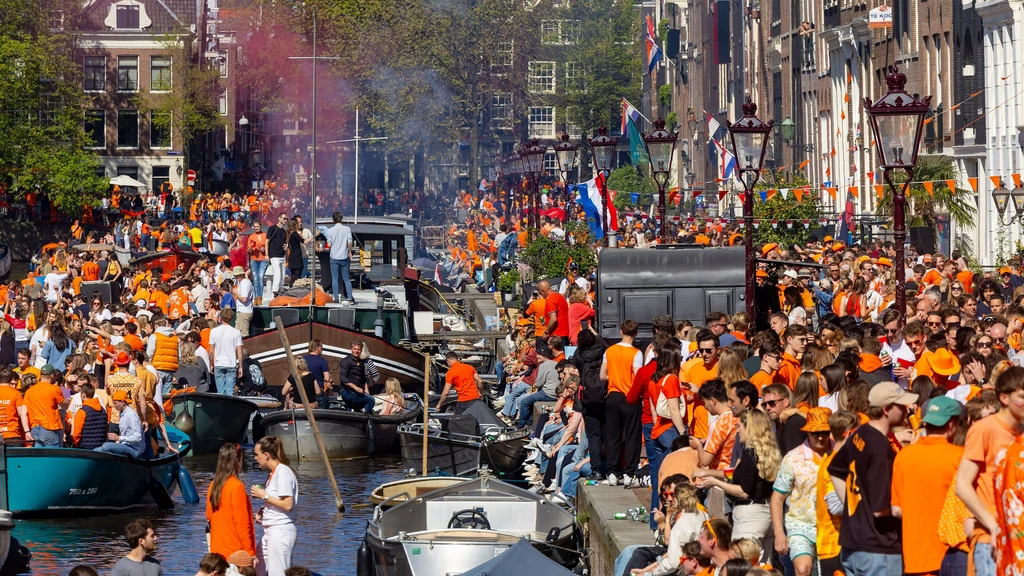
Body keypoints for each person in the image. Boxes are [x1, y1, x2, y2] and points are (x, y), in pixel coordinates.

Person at [828, 382, 917, 576]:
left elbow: (834, 469)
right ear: (886, 409)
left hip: (853, 544)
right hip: (878, 550)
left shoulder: (861, 432)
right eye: (901, 406)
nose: (906, 410)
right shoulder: (880, 449)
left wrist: (854, 507)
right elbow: (881, 509)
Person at [957, 366, 1024, 576]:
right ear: (1004, 398)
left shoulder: (1020, 433)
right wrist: (992, 525)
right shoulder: (984, 429)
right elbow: (962, 484)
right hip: (991, 541)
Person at [892, 396, 963, 576]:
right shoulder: (960, 457)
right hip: (952, 554)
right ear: (952, 424)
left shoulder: (903, 456)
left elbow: (896, 510)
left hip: (915, 557)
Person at [695, 409, 781, 544]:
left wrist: (715, 482)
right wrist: (709, 475)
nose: (737, 431)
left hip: (750, 516)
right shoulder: (769, 452)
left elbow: (744, 491)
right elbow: (742, 476)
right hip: (765, 513)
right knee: (763, 563)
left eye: (739, 426)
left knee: (743, 561)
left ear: (749, 428)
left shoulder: (750, 453)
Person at [770, 407, 833, 576]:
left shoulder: (840, 454)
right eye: (815, 433)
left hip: (833, 526)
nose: (820, 437)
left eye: (825, 432)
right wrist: (779, 533)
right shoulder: (793, 458)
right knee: (803, 569)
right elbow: (777, 498)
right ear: (807, 433)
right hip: (800, 525)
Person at [600, 320, 643, 487]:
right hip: (630, 397)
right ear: (636, 334)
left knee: (612, 436)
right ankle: (629, 473)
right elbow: (638, 378)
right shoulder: (636, 353)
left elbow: (602, 375)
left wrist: (616, 377)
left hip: (612, 396)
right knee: (632, 436)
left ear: (620, 332)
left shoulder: (610, 351)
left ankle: (612, 472)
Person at [252, 437, 298, 576]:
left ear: (266, 455)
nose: (255, 458)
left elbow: (288, 504)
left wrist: (264, 496)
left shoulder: (283, 472)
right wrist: (264, 509)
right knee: (257, 570)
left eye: (256, 454)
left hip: (280, 531)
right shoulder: (273, 474)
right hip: (270, 532)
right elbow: (277, 500)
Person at [206, 443, 256, 565]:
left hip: (217, 550)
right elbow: (242, 524)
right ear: (237, 461)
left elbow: (209, 517)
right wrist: (250, 553)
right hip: (236, 553)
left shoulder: (213, 485)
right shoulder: (236, 486)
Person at [24, 364, 66, 447]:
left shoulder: (30, 391)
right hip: (50, 429)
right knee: (52, 458)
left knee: (38, 458)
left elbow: (23, 413)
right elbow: (64, 405)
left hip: (35, 429)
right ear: (52, 375)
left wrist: (27, 431)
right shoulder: (54, 389)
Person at [96, 389, 145, 458]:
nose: (114, 405)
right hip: (126, 445)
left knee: (106, 446)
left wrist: (118, 438)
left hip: (135, 449)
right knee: (96, 450)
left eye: (115, 403)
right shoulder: (122, 413)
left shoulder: (131, 415)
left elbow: (138, 437)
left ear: (122, 402)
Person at [209, 309, 243, 396]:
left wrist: (211, 364)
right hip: (231, 363)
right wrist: (241, 367)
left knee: (220, 392)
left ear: (220, 317)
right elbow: (239, 352)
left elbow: (211, 351)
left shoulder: (213, 331)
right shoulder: (236, 332)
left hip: (219, 363)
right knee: (230, 392)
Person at [324, 212, 354, 304]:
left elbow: (329, 244)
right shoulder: (347, 229)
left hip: (334, 256)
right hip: (344, 256)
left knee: (335, 278)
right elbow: (349, 242)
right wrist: (350, 252)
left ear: (333, 220)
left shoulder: (330, 230)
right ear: (342, 219)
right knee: (346, 278)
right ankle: (349, 296)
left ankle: (336, 297)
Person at [338, 341, 374, 413]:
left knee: (363, 402)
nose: (356, 351)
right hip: (347, 391)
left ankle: (356, 419)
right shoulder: (346, 361)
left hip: (356, 392)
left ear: (361, 350)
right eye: (354, 349)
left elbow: (363, 379)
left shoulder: (362, 362)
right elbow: (343, 378)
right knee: (371, 400)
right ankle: (364, 417)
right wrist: (355, 387)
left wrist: (366, 391)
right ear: (351, 349)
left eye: (358, 349)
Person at [71, 382, 107, 449]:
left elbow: (77, 434)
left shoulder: (82, 412)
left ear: (83, 395)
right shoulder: (103, 411)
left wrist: (75, 445)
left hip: (85, 449)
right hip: (100, 447)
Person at [0, 367, 29, 444]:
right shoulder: (16, 393)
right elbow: (21, 413)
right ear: (10, 379)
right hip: (12, 434)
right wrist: (27, 431)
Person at [301, 340, 333, 408]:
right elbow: (327, 378)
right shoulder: (322, 361)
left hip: (304, 391)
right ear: (318, 347)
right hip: (318, 391)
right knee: (322, 415)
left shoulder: (303, 359)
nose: (322, 350)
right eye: (321, 347)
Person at [265, 213, 288, 298]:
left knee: (282, 274)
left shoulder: (284, 232)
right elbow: (267, 241)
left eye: (286, 219)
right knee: (277, 274)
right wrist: (267, 254)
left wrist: (286, 248)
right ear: (279, 218)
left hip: (282, 255)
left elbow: (285, 243)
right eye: (284, 218)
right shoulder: (272, 228)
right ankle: (275, 291)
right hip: (274, 255)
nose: (285, 220)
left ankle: (280, 290)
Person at [247, 220, 268, 305]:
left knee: (260, 277)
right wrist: (251, 247)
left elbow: (268, 247)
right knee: (255, 279)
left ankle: (260, 297)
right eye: (254, 227)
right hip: (254, 259)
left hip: (262, 258)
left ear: (260, 226)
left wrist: (264, 250)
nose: (256, 228)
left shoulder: (265, 235)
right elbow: (248, 250)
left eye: (257, 226)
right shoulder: (251, 236)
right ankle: (256, 298)